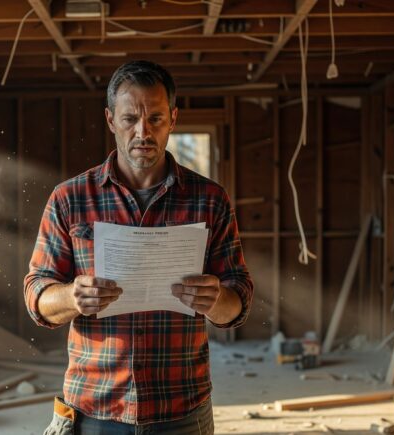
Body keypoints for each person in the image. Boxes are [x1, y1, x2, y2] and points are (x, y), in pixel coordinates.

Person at [24, 60, 253, 435]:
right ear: (111, 120)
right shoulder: (69, 198)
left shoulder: (210, 200)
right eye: (130, 119)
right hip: (93, 407)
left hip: (182, 408)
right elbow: (36, 295)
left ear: (174, 118)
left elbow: (238, 301)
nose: (142, 132)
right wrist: (71, 296)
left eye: (156, 119)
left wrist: (216, 300)